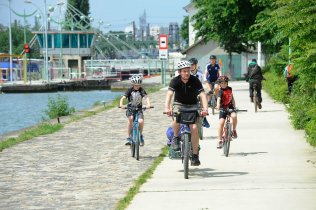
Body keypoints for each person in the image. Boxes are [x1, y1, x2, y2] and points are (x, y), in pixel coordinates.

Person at [165, 60, 209, 166]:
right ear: (179, 72)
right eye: (184, 71)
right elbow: (169, 94)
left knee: (194, 128)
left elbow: (203, 95)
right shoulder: (175, 81)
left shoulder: (195, 80)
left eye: (188, 71)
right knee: (176, 119)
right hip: (179, 104)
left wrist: (205, 109)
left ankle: (195, 155)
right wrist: (167, 107)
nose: (186, 73)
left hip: (193, 105)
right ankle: (175, 138)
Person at [119, 74, 151, 146]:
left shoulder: (141, 90)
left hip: (139, 109)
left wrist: (148, 104)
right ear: (133, 84)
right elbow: (123, 98)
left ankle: (141, 135)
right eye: (136, 85)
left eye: (139, 85)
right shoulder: (129, 90)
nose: (137, 86)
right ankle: (129, 137)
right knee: (130, 119)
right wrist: (121, 105)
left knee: (141, 121)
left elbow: (146, 97)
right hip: (130, 108)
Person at [215, 76, 238, 149]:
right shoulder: (220, 91)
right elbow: (218, 99)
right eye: (222, 83)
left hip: (230, 107)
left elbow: (232, 97)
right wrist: (218, 106)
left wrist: (234, 105)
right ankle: (219, 140)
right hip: (222, 108)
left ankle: (234, 130)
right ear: (220, 84)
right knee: (221, 123)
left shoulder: (230, 89)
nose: (224, 84)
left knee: (234, 116)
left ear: (227, 83)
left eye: (225, 83)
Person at [189, 57, 210, 128]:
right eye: (190, 65)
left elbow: (205, 82)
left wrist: (209, 89)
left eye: (193, 65)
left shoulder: (200, 73)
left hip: (198, 91)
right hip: (189, 92)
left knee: (204, 96)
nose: (191, 66)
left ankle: (204, 116)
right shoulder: (187, 73)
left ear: (196, 65)